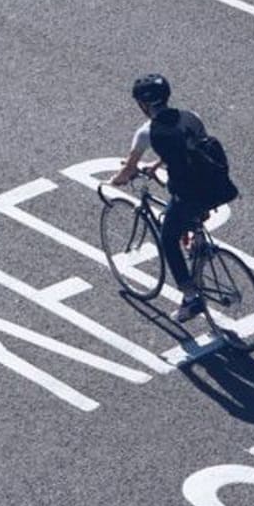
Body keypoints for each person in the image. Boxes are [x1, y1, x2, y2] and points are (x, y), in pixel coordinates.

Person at [109, 74, 213, 322]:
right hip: (212, 185)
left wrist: (115, 180)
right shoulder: (191, 116)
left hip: (187, 192)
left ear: (143, 104)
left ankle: (190, 298)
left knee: (168, 239)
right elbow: (192, 147)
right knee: (188, 218)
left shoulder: (147, 132)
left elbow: (128, 169)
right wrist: (158, 163)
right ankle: (200, 246)